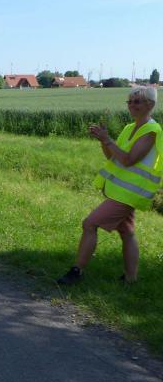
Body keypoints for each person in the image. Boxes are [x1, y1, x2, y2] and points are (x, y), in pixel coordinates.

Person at [57, 85, 162, 285]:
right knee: (127, 232)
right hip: (120, 191)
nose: (132, 105)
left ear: (150, 104)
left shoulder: (151, 131)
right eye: (129, 101)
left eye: (137, 101)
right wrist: (103, 141)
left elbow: (129, 160)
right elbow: (113, 157)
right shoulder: (130, 128)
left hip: (129, 194)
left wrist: (108, 140)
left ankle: (77, 271)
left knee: (89, 223)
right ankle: (130, 278)